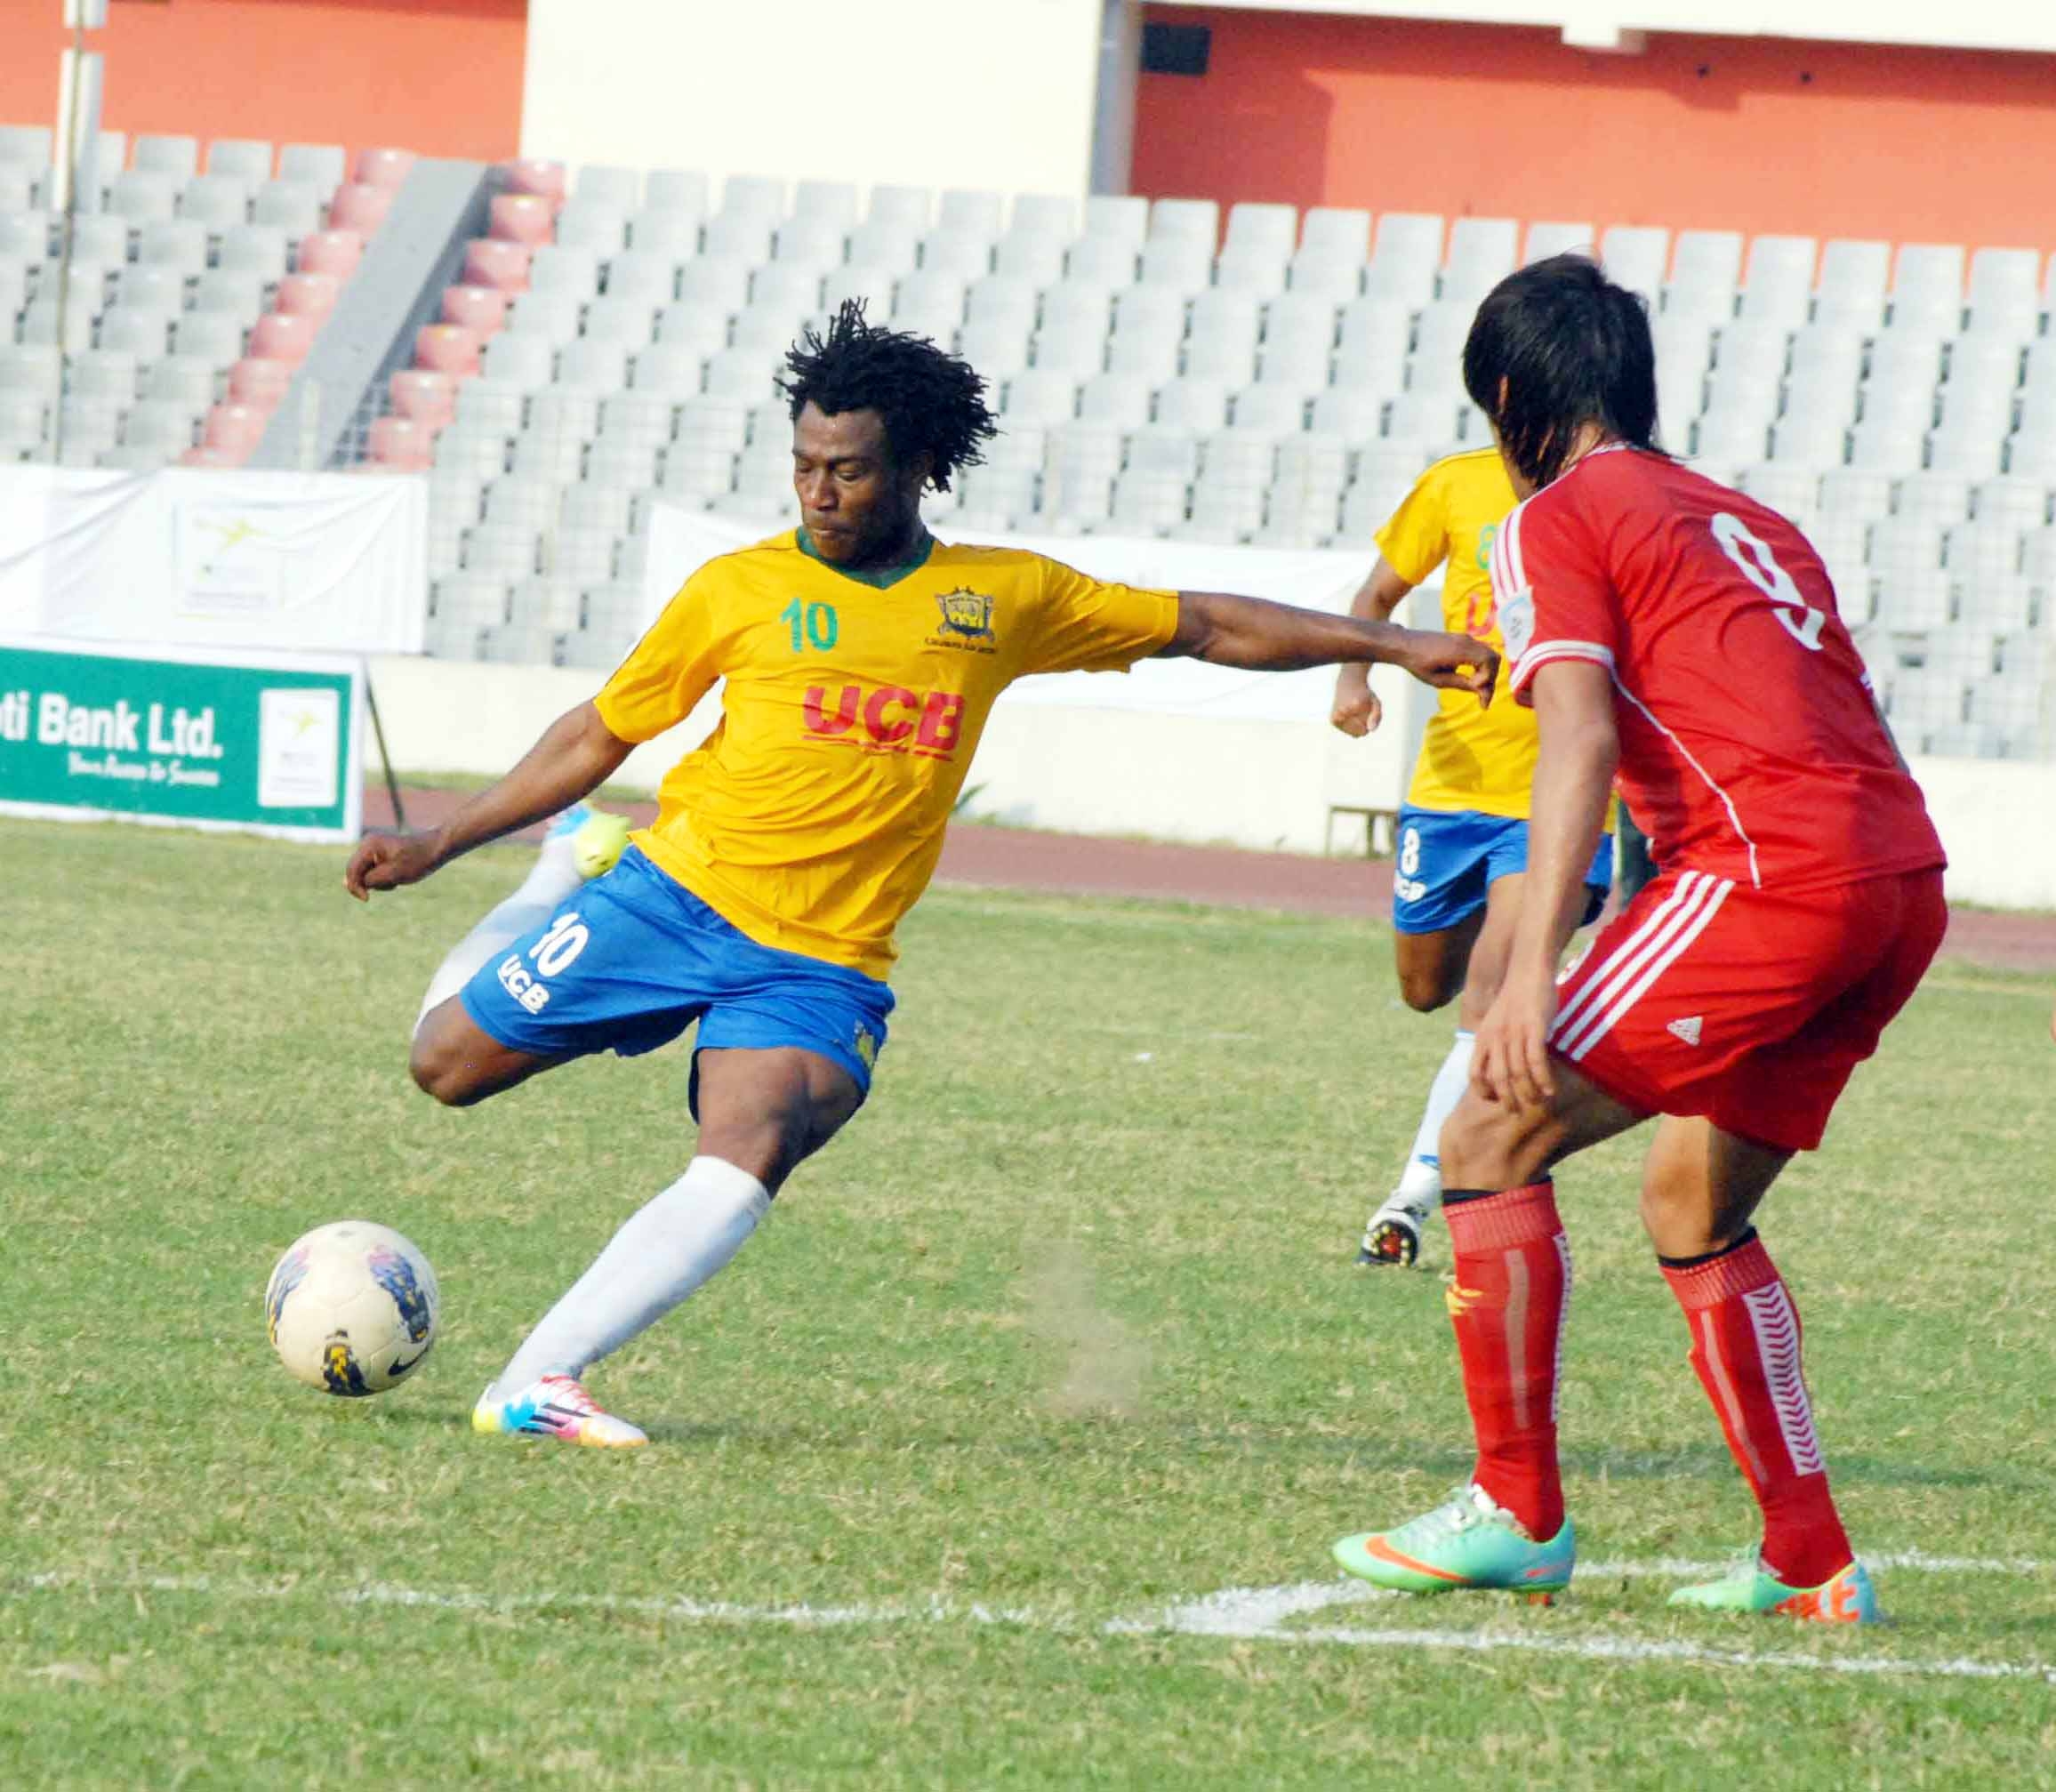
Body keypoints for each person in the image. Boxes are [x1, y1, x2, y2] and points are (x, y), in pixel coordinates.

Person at [346, 301, 1498, 1450]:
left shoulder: (994, 599)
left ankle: (541, 1377)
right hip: (673, 892)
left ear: (919, 468)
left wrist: (1394, 645)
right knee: (442, 1065)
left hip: (820, 961)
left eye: (847, 470)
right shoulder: (736, 590)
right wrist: (445, 840)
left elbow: (1202, 624)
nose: (819, 492)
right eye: (803, 466)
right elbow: (599, 732)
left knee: (762, 1131)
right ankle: (562, 872)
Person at [1331, 256, 1946, 1625]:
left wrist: (1533, 968)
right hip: (1898, 878)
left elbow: (1579, 739)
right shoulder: (1754, 519)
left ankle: (1515, 1508)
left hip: (1771, 873)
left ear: (1504, 395)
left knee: (1489, 1130)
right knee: (1691, 1201)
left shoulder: (1551, 516)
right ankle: (1809, 1557)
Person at [1330, 449, 1612, 1269]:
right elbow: (1378, 596)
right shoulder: (1457, 483)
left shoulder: (1612, 501)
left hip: (1556, 797)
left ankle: (1414, 1196)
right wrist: (1355, 675)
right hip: (1449, 788)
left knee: (1495, 985)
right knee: (1426, 989)